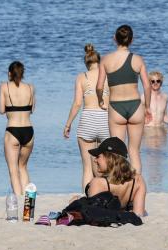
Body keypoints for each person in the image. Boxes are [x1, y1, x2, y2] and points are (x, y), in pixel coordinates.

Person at [97, 24, 153, 172]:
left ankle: (120, 187)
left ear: (115, 39)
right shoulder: (137, 59)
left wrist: (100, 100)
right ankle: (137, 185)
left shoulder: (106, 59)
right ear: (132, 40)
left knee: (117, 153)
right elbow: (147, 86)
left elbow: (99, 86)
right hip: (135, 106)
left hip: (116, 107)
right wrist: (147, 107)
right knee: (134, 151)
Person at [64, 44, 112, 190]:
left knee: (87, 167)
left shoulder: (81, 77)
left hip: (88, 120)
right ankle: (106, 195)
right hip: (105, 119)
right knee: (107, 165)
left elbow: (77, 103)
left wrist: (68, 124)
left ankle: (88, 199)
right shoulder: (108, 76)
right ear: (100, 61)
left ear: (86, 62)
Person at [84, 137, 147, 216]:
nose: (95, 160)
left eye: (98, 156)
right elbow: (139, 213)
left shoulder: (98, 182)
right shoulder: (138, 180)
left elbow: (93, 213)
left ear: (109, 158)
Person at [0, 60, 34, 196]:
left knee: (13, 170)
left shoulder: (4, 87)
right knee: (23, 167)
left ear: (9, 73)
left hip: (13, 130)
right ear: (22, 73)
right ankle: (28, 200)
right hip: (29, 131)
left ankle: (19, 199)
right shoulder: (30, 88)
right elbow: (32, 109)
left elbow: (1, 110)